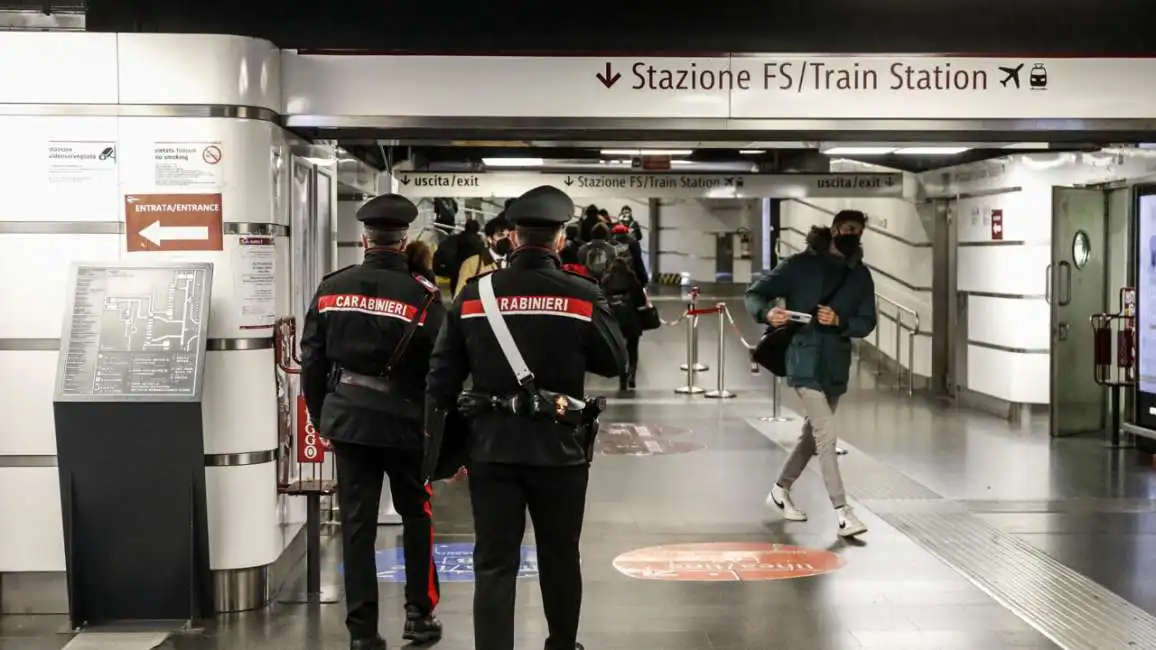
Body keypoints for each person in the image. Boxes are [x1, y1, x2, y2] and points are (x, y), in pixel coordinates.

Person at [426, 185, 628, 650]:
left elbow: (441, 379)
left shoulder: (476, 296)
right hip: (560, 452)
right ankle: (561, 643)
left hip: (492, 450)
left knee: (494, 561)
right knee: (560, 555)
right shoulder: (581, 294)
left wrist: (446, 450)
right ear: (560, 239)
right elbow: (613, 361)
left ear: (513, 237)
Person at [299, 194, 447, 650]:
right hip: (405, 425)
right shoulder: (424, 297)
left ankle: (362, 632)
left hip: (349, 423)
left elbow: (312, 362)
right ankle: (418, 616)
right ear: (403, 241)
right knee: (416, 515)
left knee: (357, 526)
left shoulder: (330, 288)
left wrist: (325, 416)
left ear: (365, 239)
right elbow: (441, 371)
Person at [743, 209, 876, 538]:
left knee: (810, 438)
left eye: (857, 231)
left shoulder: (860, 275)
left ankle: (780, 490)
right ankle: (843, 512)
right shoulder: (800, 265)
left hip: (835, 366)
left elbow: (867, 320)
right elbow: (755, 293)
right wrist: (767, 312)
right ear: (833, 229)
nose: (852, 235)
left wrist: (841, 322)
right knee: (826, 435)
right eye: (847, 229)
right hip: (802, 361)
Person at [600, 248, 648, 391]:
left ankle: (622, 376)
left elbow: (601, 299)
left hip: (614, 319)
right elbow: (641, 301)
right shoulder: (632, 279)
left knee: (619, 349)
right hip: (631, 318)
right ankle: (632, 375)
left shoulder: (607, 280)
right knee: (633, 348)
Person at [454, 215, 513, 297]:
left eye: (508, 236)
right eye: (500, 235)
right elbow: (459, 297)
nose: (506, 240)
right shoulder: (472, 264)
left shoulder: (517, 262)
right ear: (489, 239)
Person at [433, 219, 484, 290]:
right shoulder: (480, 243)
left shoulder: (454, 239)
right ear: (477, 229)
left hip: (455, 272)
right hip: (473, 274)